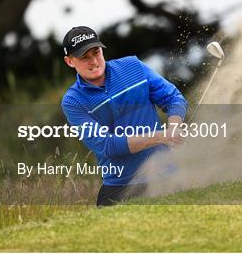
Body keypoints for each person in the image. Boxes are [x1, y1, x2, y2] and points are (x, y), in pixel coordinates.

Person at [60, 26, 187, 206]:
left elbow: (173, 98)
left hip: (165, 176)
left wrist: (174, 126)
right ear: (70, 61)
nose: (94, 61)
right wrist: (160, 136)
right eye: (84, 57)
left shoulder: (133, 66)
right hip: (120, 187)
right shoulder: (73, 101)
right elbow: (107, 145)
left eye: (96, 52)